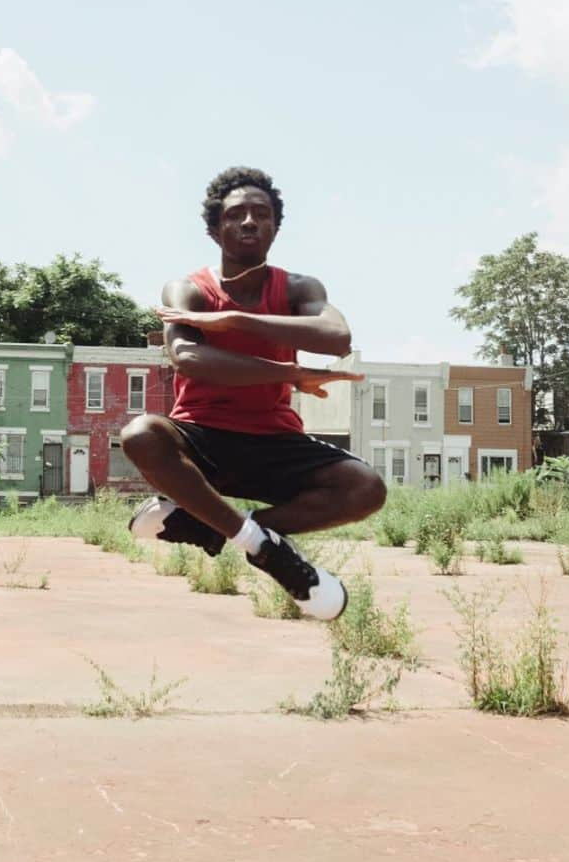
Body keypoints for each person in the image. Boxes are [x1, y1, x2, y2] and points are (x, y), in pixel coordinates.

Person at [122, 166, 387, 620]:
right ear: (214, 228)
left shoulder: (299, 288)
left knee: (366, 489)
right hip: (201, 438)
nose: (249, 222)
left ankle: (205, 526)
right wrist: (285, 371)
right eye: (236, 214)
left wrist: (233, 321)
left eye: (261, 214)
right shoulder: (188, 290)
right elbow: (189, 359)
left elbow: (336, 336)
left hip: (274, 441)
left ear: (275, 227)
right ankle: (264, 549)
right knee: (140, 434)